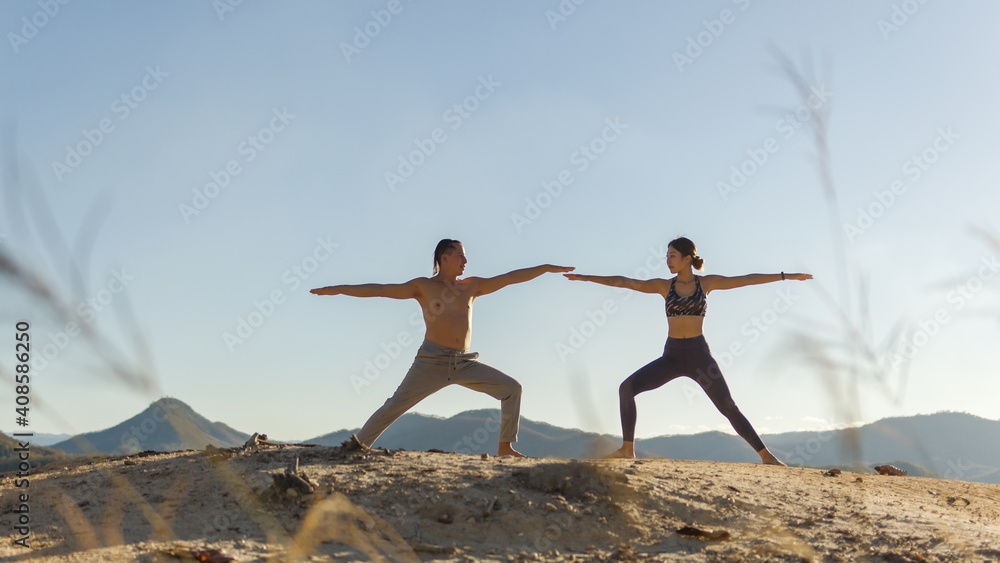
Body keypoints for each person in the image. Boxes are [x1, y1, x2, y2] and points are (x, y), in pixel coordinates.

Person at [311, 239, 573, 457]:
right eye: (461, 255)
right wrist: (337, 289)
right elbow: (379, 289)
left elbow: (510, 278)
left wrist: (545, 267)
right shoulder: (423, 286)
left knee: (512, 389)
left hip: (465, 362)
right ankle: (357, 447)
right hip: (431, 361)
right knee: (394, 406)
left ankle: (505, 447)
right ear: (444, 257)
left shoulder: (472, 286)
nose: (466, 261)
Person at [564, 237, 811, 465]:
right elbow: (624, 282)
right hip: (671, 356)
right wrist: (586, 278)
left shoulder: (707, 283)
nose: (667, 260)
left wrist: (785, 276)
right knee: (626, 389)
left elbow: (746, 279)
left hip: (698, 356)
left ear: (687, 258)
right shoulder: (664, 286)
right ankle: (627, 449)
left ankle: (766, 456)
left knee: (728, 407)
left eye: (672, 255)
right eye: (667, 256)